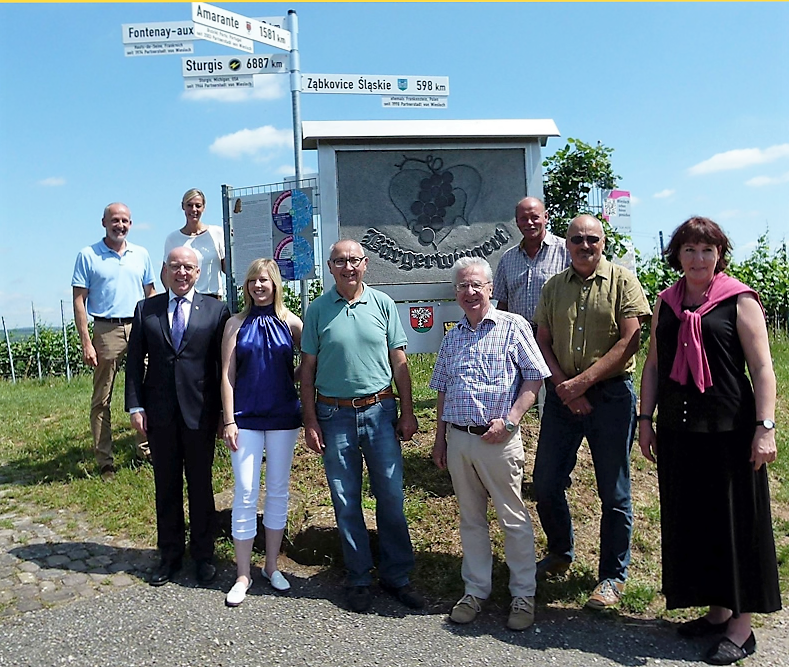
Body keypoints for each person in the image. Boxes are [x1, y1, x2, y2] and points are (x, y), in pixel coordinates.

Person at [638, 217, 780, 665]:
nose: (698, 258)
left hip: (731, 431)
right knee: (698, 524)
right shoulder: (667, 303)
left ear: (720, 254)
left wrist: (765, 427)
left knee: (737, 526)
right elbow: (655, 367)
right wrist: (645, 419)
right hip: (681, 432)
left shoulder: (739, 301)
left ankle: (741, 628)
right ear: (676, 255)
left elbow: (762, 369)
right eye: (689, 250)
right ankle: (718, 612)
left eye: (707, 250)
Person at [532, 214, 651, 609]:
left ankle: (612, 578)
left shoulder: (622, 281)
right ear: (566, 244)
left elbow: (630, 340)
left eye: (592, 239)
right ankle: (561, 551)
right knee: (546, 482)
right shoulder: (553, 287)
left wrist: (584, 383)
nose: (585, 245)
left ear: (603, 242)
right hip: (563, 396)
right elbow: (542, 339)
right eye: (577, 239)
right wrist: (566, 387)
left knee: (613, 492)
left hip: (612, 398)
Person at [300, 239, 423, 613]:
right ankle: (358, 577)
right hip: (333, 415)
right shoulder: (317, 310)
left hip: (380, 411)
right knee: (345, 499)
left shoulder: (383, 304)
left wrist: (407, 411)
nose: (348, 267)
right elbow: (306, 370)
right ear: (330, 266)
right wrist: (309, 421)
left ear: (365, 264)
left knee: (390, 497)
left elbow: (399, 362)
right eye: (340, 261)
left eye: (354, 260)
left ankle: (396, 575)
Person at [430, 257, 549, 631]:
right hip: (460, 439)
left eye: (476, 285)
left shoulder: (513, 327)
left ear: (491, 288)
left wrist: (511, 421)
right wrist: (439, 440)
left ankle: (523, 595)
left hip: (499, 439)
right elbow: (443, 391)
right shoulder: (453, 336)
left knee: (513, 519)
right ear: (456, 293)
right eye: (462, 286)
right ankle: (475, 591)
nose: (469, 292)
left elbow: (534, 379)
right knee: (471, 520)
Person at [125, 246, 230, 587]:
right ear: (165, 271)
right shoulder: (146, 310)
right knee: (165, 488)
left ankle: (203, 558)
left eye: (189, 268)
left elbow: (221, 368)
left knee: (201, 488)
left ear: (198, 273)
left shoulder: (216, 310)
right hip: (160, 415)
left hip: (200, 414)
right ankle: (169, 557)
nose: (182, 273)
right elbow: (134, 363)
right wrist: (135, 406)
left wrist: (223, 415)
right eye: (175, 267)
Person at [220, 258, 303, 607]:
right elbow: (227, 375)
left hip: (284, 418)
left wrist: (290, 382)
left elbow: (308, 363)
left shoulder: (292, 323)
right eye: (253, 280)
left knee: (278, 491)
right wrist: (228, 421)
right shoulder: (235, 324)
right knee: (246, 490)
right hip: (245, 419)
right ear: (247, 286)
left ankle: (271, 566)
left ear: (275, 285)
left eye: (264, 280)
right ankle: (243, 573)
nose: (258, 286)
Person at [72, 202, 156, 480]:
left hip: (139, 327)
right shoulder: (88, 255)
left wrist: (158, 330)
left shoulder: (141, 254)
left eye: (125, 221)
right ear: (104, 222)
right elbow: (79, 300)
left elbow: (151, 292)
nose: (120, 225)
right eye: (115, 220)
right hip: (106, 329)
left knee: (148, 390)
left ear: (131, 224)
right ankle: (105, 461)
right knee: (102, 398)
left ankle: (146, 449)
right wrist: (86, 341)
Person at [493, 196, 571, 326]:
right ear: (517, 222)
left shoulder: (566, 251)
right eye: (523, 218)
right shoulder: (507, 259)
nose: (529, 223)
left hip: (556, 335)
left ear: (546, 217)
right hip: (518, 337)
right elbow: (502, 305)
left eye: (535, 217)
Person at [163, 188, 225, 298]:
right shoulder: (173, 239)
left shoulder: (217, 233)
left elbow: (227, 268)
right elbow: (165, 273)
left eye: (198, 205)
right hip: (185, 298)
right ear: (183, 207)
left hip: (212, 298)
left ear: (204, 207)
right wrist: (173, 298)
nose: (194, 209)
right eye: (189, 205)